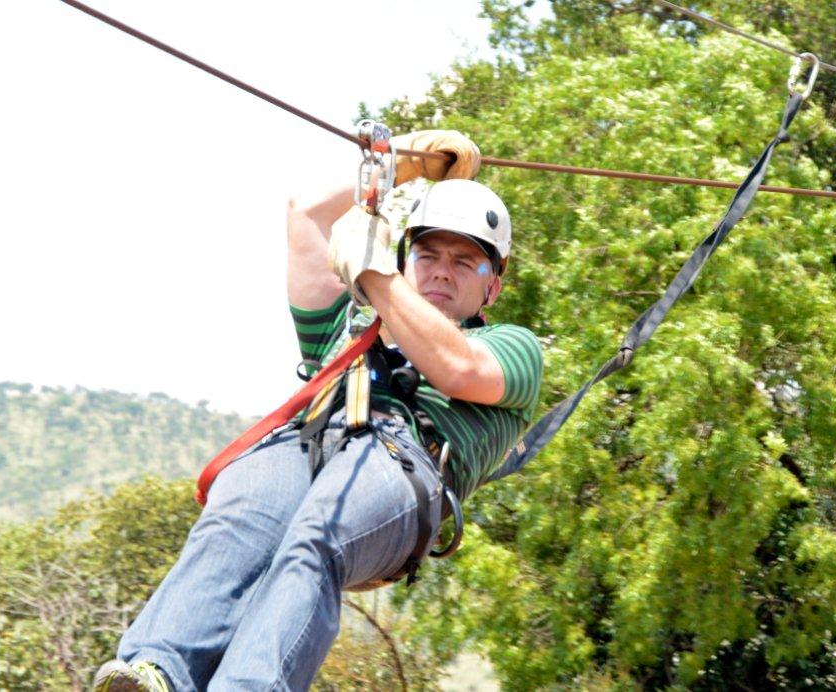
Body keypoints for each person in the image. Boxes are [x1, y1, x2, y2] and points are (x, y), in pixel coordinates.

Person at [92, 130, 543, 691]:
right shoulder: (349, 325)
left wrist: (375, 273)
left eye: (465, 261)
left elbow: (458, 370)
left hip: (402, 465)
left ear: (492, 287)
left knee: (317, 537)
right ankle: (158, 670)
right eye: (428, 254)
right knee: (237, 521)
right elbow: (306, 214)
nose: (442, 271)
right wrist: (404, 163)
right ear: (410, 260)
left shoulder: (512, 347)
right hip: (310, 437)